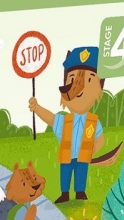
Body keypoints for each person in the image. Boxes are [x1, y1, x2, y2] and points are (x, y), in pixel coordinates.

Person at [29, 46, 107, 203]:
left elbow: (101, 139)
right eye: (72, 80)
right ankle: (64, 193)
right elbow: (50, 118)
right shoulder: (65, 120)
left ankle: (80, 192)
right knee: (65, 174)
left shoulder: (93, 121)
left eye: (90, 80)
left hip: (83, 157)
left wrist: (93, 150)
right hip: (66, 156)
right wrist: (37, 108)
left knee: (81, 174)